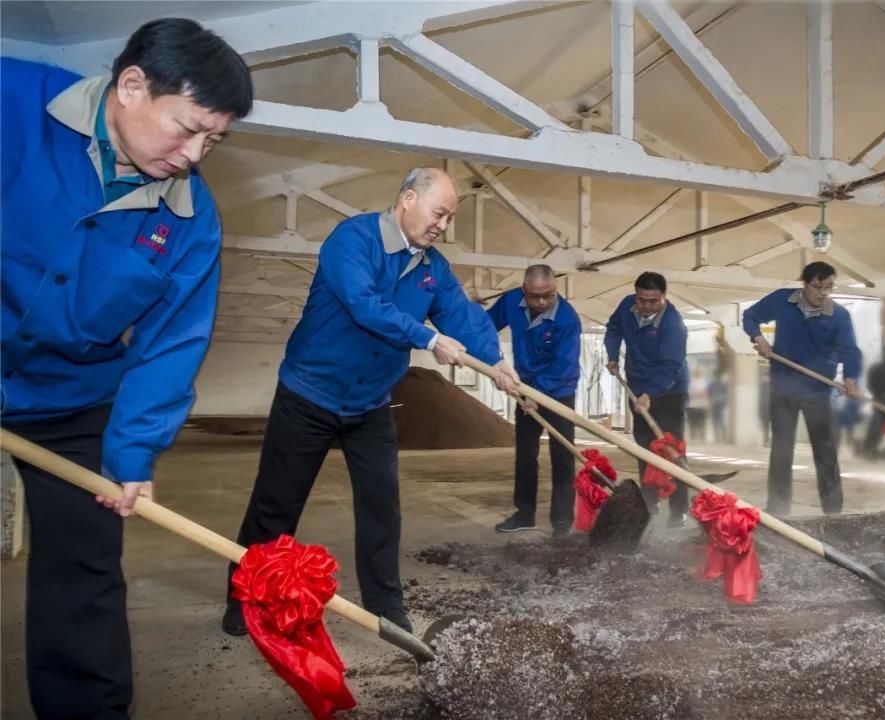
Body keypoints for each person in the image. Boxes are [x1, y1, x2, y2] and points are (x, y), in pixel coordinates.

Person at [0, 20, 252, 719]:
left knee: (83, 571)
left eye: (215, 140)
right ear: (132, 86)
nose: (197, 153)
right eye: (188, 128)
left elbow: (170, 343)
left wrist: (132, 450)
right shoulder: (9, 104)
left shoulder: (192, 219)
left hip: (72, 398)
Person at [222, 167, 520, 636]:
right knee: (276, 505)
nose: (443, 224)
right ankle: (245, 601)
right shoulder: (353, 240)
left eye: (449, 218)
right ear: (407, 199)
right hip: (308, 395)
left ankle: (387, 608)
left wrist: (498, 362)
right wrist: (427, 337)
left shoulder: (431, 268)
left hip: (370, 404)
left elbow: (462, 315)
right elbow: (364, 306)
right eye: (438, 213)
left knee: (382, 507)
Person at [742, 262, 862, 516]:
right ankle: (778, 507)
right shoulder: (781, 301)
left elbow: (849, 350)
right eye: (817, 286)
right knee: (782, 450)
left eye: (828, 287)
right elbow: (750, 316)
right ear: (804, 284)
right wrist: (759, 337)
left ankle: (833, 511)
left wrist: (851, 377)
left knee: (825, 452)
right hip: (782, 387)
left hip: (818, 391)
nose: (822, 292)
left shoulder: (838, 316)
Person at [487, 265, 582, 535]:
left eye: (548, 295)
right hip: (524, 387)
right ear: (523, 290)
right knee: (525, 455)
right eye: (534, 296)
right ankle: (524, 514)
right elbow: (484, 326)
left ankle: (562, 520)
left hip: (559, 392)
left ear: (556, 289)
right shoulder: (510, 302)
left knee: (562, 456)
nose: (541, 302)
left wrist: (537, 395)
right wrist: (492, 359)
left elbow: (564, 367)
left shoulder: (567, 320)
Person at [604, 272, 690, 526]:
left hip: (670, 390)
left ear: (663, 297)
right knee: (644, 448)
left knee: (672, 451)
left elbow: (672, 366)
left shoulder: (673, 324)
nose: (646, 306)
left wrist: (649, 394)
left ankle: (678, 510)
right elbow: (613, 328)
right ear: (636, 295)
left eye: (653, 301)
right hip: (637, 386)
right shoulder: (626, 306)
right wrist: (612, 355)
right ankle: (649, 504)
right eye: (642, 300)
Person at [687, 367, 710, 442]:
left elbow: (707, 393)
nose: (699, 373)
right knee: (692, 423)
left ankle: (702, 438)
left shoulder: (705, 382)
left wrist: (697, 394)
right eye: (697, 372)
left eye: (700, 372)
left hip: (702, 406)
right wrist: (699, 394)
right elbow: (689, 394)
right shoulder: (691, 382)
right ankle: (693, 437)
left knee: (702, 423)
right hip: (692, 405)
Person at [708, 370, 729, 443]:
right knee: (715, 421)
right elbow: (709, 395)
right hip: (715, 404)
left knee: (721, 421)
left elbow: (727, 394)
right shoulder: (712, 384)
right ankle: (717, 437)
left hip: (721, 405)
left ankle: (723, 437)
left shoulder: (723, 384)